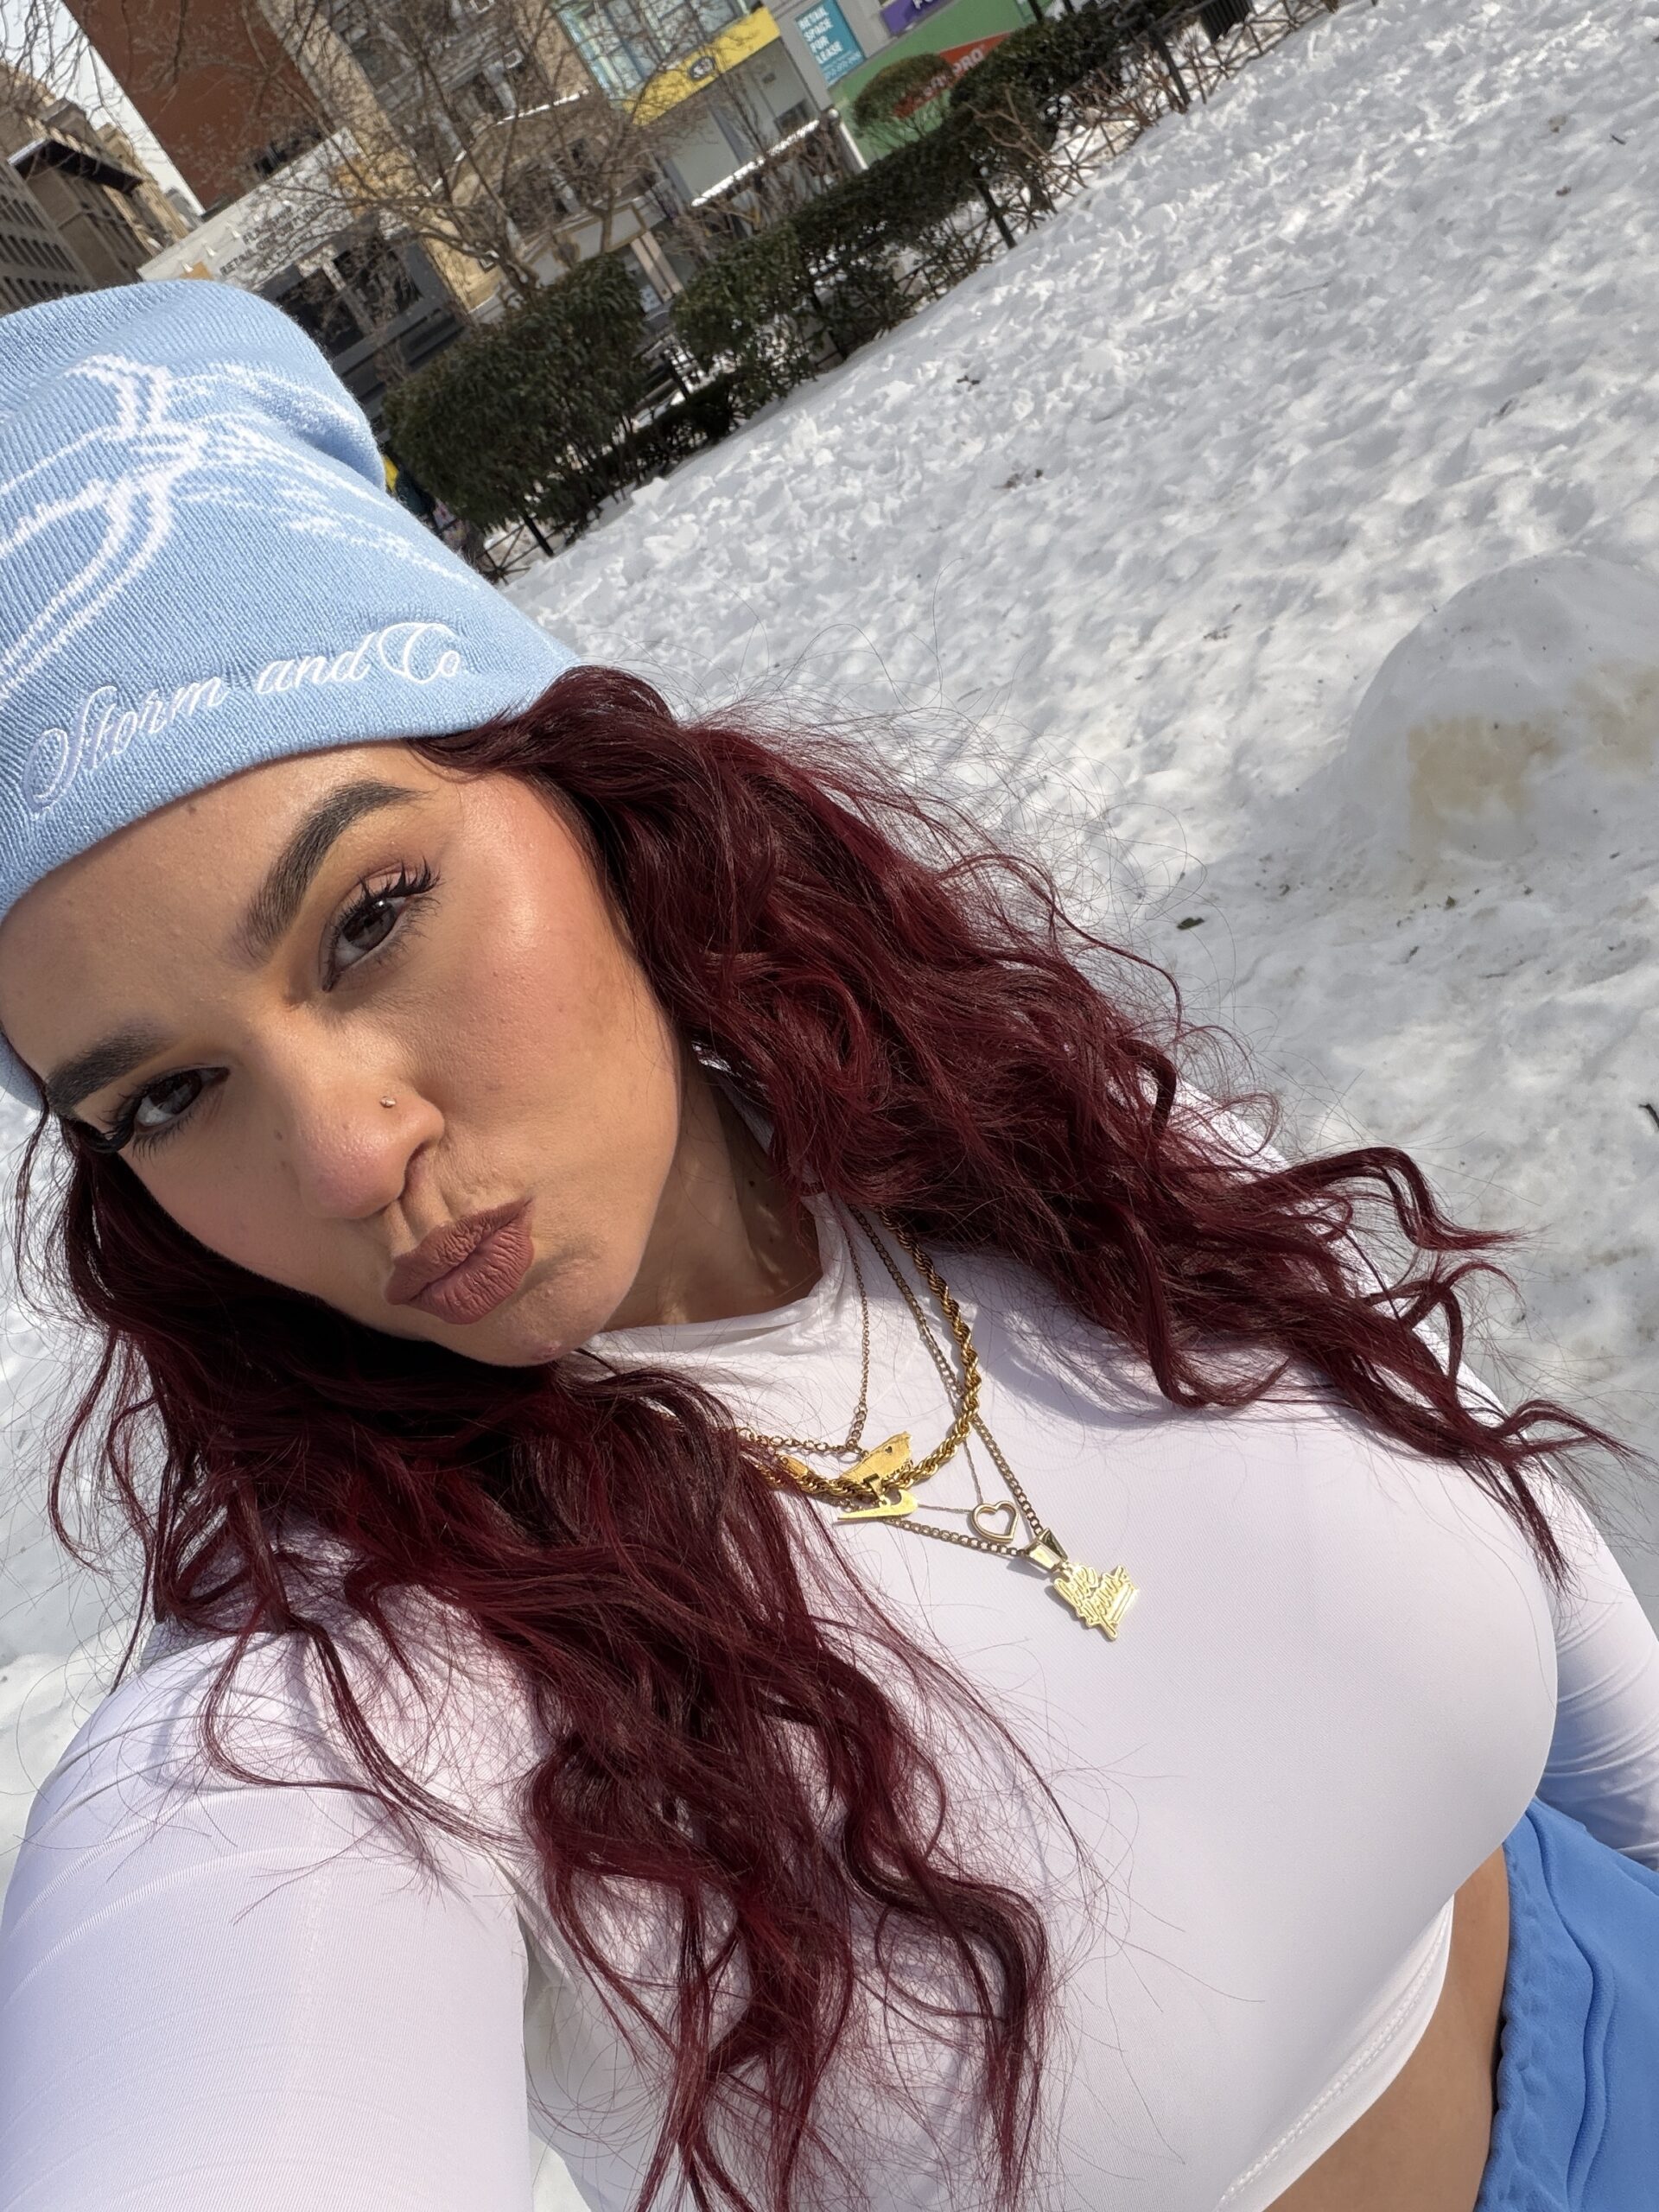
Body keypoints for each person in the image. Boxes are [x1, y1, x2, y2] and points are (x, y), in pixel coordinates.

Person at [0, 281, 1654, 2212]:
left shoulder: (1016, 1136)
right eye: (169, 1099)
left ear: (583, 793)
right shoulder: (346, 1713)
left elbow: (1518, 1563)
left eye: (369, 919)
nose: (351, 1157)